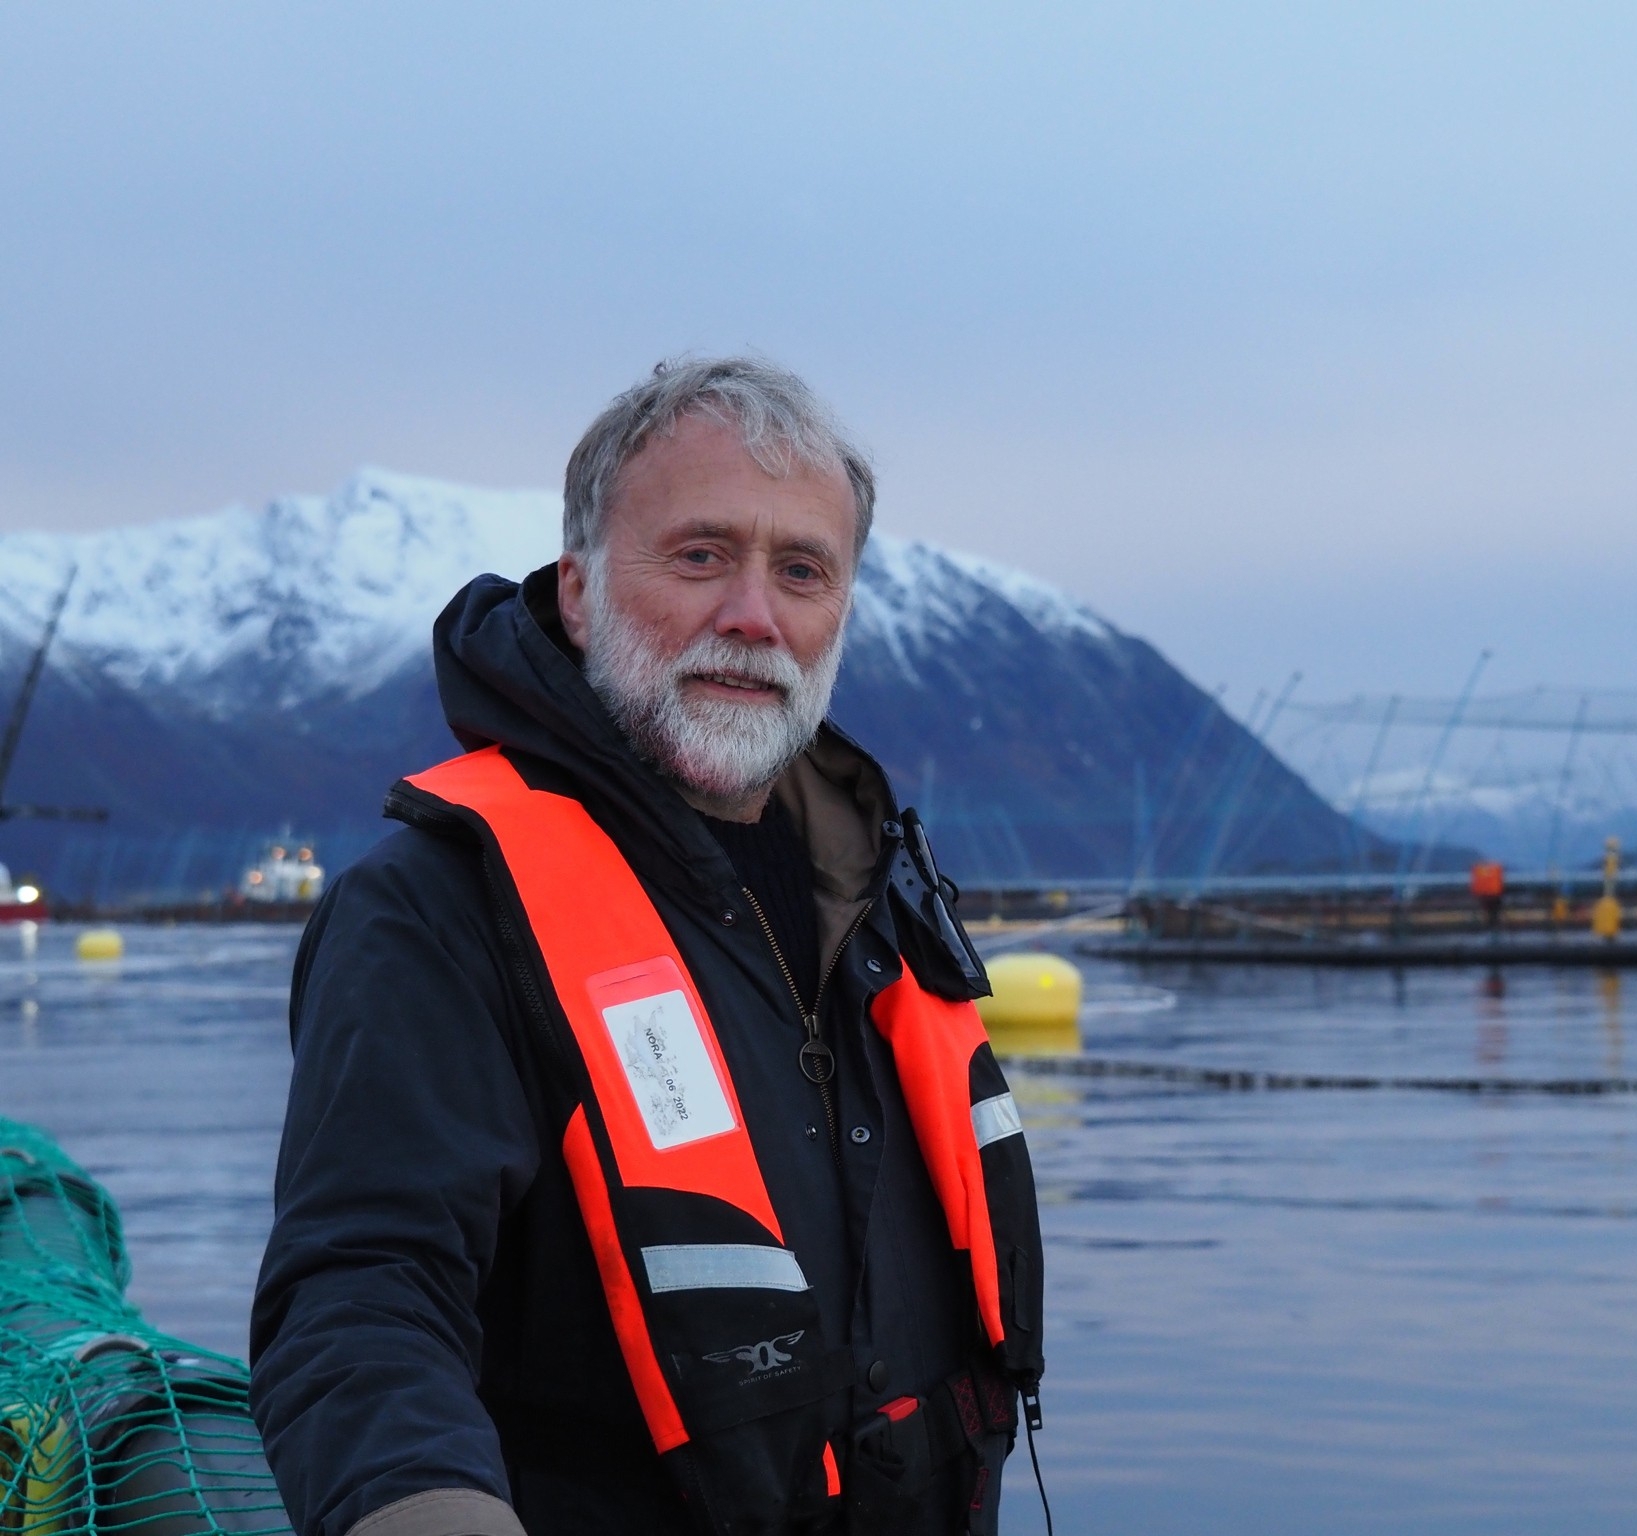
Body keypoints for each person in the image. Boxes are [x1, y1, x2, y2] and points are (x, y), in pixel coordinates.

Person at [250, 358, 1045, 1536]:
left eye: (800, 571)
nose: (751, 616)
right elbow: (362, 1298)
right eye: (698, 555)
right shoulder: (436, 910)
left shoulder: (878, 900)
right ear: (577, 592)